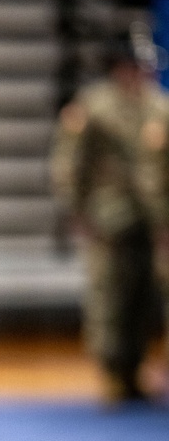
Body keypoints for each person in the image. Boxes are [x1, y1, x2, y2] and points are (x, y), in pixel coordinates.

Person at [52, 29, 169, 403]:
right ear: (119, 68)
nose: (140, 74)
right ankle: (113, 371)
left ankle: (136, 370)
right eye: (134, 66)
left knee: (144, 296)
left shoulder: (160, 107)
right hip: (110, 216)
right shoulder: (94, 106)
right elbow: (71, 163)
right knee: (111, 295)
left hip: (154, 219)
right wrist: (76, 210)